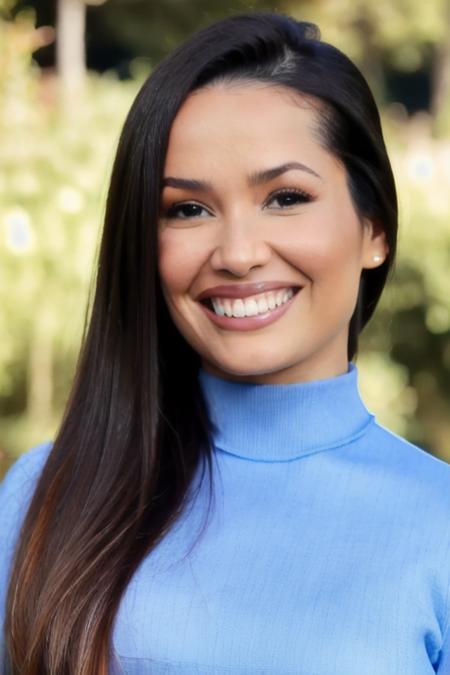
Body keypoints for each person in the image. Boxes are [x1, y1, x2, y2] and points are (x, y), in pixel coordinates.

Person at [1, 10, 449, 675]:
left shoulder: (438, 525)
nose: (238, 254)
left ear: (375, 228)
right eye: (188, 209)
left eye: (286, 197)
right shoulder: (45, 495)